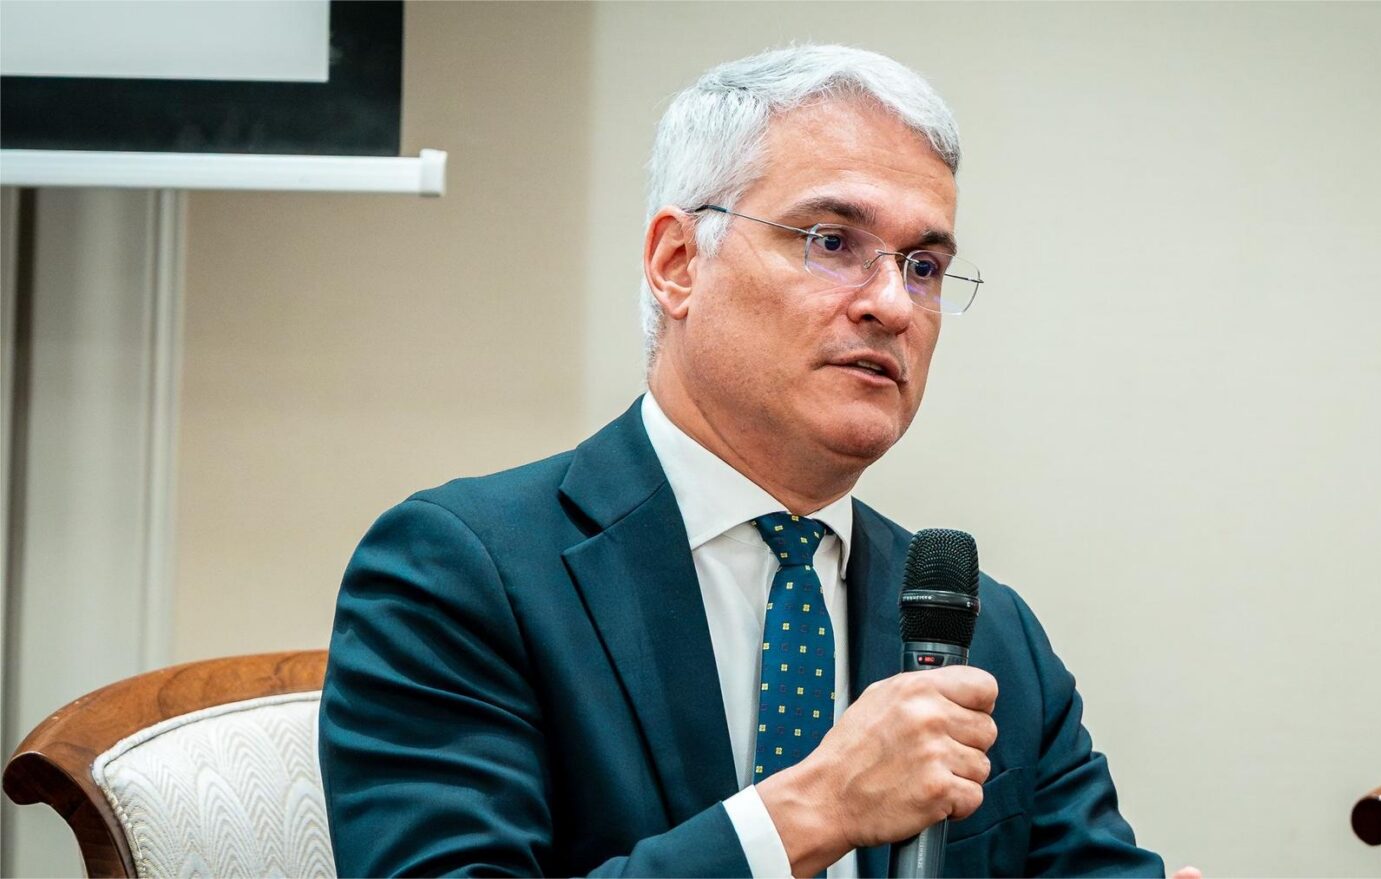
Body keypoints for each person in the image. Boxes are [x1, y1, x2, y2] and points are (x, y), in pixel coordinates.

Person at [320, 44, 1173, 877]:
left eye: (924, 266)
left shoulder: (988, 634)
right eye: (833, 241)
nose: (891, 304)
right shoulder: (462, 572)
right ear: (677, 263)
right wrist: (812, 811)